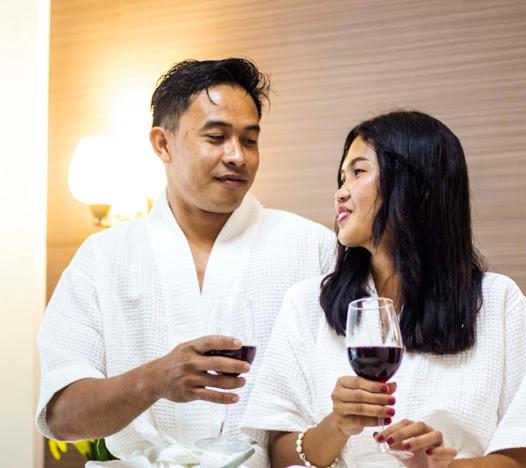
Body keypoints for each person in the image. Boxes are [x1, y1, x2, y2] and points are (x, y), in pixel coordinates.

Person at [36, 58, 335, 466]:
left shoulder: (312, 248)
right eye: (216, 137)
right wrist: (155, 379)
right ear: (163, 144)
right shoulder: (103, 256)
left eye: (250, 140)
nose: (237, 156)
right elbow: (61, 417)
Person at [241, 110, 526, 468]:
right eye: (341, 177)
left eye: (358, 172)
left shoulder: (496, 302)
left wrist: (443, 467)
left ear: (416, 187)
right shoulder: (306, 304)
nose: (340, 193)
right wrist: (336, 426)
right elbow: (279, 453)